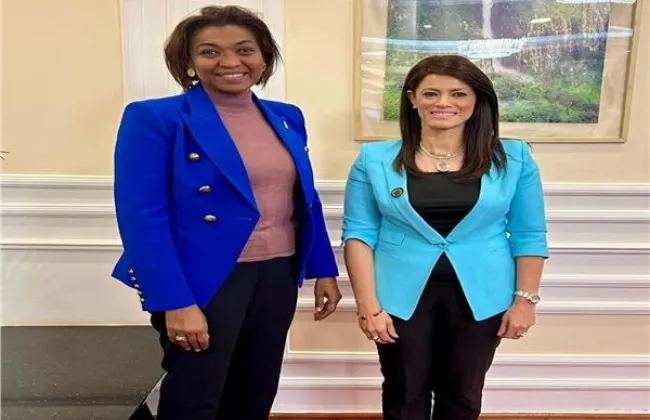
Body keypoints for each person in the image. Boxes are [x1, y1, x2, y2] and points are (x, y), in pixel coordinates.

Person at [110, 6, 342, 420]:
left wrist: (323, 269)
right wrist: (175, 301)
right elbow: (142, 218)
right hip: (204, 278)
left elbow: (304, 198)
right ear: (189, 61)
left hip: (278, 272)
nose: (230, 61)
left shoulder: (287, 117)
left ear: (264, 57)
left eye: (245, 49)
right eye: (210, 51)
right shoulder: (155, 118)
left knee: (255, 390)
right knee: (195, 396)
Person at [341, 54, 549, 420]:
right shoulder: (374, 160)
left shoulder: (514, 157)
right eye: (431, 93)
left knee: (464, 393)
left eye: (458, 93)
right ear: (412, 99)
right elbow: (359, 234)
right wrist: (368, 306)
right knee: (404, 391)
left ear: (477, 100)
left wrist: (525, 301)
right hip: (399, 297)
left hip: (482, 296)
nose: (443, 103)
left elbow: (528, 234)